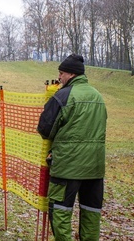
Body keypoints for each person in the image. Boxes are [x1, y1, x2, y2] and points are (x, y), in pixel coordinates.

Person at [37, 54, 107, 240]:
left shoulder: (63, 95)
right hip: (94, 168)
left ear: (71, 74)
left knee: (60, 213)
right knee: (91, 213)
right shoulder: (98, 96)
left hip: (67, 167)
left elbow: (45, 128)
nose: (59, 77)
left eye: (61, 73)